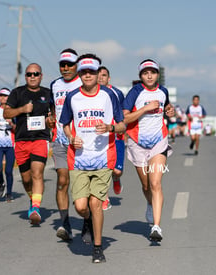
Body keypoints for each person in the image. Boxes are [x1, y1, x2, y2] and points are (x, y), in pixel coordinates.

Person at [60, 54, 126, 263]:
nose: (87, 75)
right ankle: (86, 220)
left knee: (96, 203)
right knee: (80, 206)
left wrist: (110, 127)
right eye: (83, 72)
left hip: (103, 158)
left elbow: (122, 125)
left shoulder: (109, 95)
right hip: (78, 159)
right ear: (79, 74)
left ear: (98, 74)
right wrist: (71, 138)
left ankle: (98, 248)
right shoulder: (72, 97)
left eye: (91, 71)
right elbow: (65, 124)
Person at [122, 59, 174, 242]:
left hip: (158, 142)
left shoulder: (163, 91)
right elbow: (125, 118)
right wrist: (145, 108)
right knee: (146, 186)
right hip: (137, 142)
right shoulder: (135, 92)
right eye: (145, 73)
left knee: (155, 184)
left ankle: (156, 227)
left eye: (152, 72)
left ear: (157, 74)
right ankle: (150, 204)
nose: (149, 75)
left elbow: (166, 106)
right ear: (140, 76)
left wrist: (169, 110)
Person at [4, 63, 55, 225]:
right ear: (25, 76)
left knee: (37, 173)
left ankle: (35, 208)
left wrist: (50, 121)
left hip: (40, 139)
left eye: (36, 74)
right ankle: (33, 199)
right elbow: (6, 112)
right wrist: (21, 109)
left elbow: (53, 115)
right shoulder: (17, 92)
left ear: (41, 75)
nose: (32, 77)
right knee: (26, 180)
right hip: (21, 140)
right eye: (29, 74)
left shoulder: (48, 94)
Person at [50, 48, 82, 241]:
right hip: (61, 140)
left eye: (69, 64)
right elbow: (52, 110)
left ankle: (87, 223)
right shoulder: (54, 85)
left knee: (81, 187)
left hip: (82, 143)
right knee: (63, 180)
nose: (66, 68)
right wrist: (49, 119)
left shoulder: (84, 82)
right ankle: (65, 224)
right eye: (62, 64)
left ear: (76, 65)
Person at [97, 66, 125, 211]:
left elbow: (123, 115)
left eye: (104, 75)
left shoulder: (117, 93)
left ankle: (116, 179)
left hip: (117, 137)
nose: (100, 78)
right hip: (101, 139)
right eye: (98, 75)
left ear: (109, 78)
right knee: (104, 169)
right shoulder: (91, 94)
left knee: (116, 171)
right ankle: (104, 198)